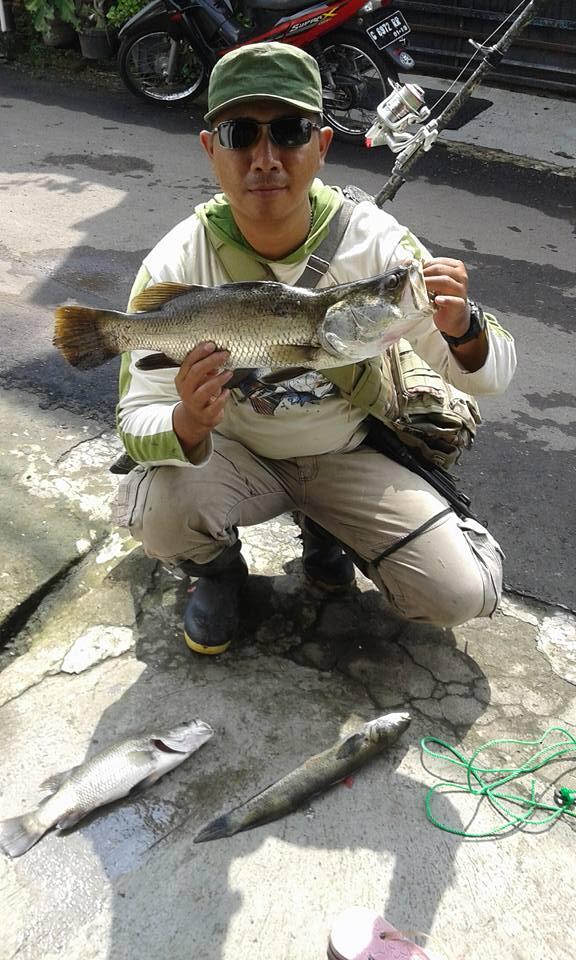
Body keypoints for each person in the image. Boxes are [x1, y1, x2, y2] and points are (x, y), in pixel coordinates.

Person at [116, 42, 516, 656]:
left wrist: (464, 326)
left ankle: (327, 531)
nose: (266, 158)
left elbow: (493, 375)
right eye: (240, 133)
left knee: (459, 595)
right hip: (236, 458)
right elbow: (130, 421)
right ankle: (219, 574)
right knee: (158, 512)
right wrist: (186, 421)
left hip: (349, 452)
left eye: (290, 131)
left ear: (322, 145)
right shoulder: (176, 260)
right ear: (210, 149)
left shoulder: (379, 246)